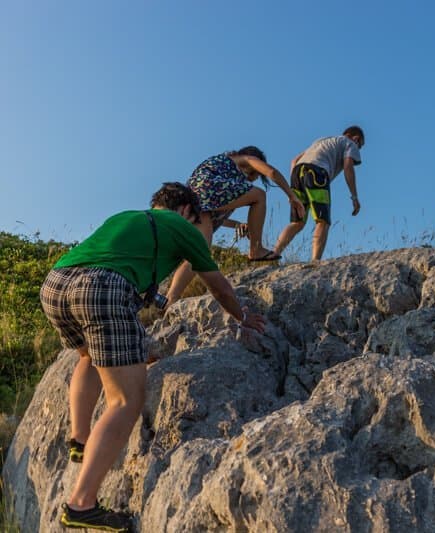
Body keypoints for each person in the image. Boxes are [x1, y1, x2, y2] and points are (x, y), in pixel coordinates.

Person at [40, 182, 266, 532]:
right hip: (101, 289)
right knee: (125, 400)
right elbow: (218, 285)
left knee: (88, 356)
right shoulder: (182, 228)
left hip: (55, 284)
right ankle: (81, 505)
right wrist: (243, 317)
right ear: (188, 212)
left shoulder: (126, 217)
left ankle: (80, 439)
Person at [166, 146, 306, 305]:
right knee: (259, 195)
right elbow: (272, 172)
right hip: (205, 190)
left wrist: (238, 225)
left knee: (199, 252)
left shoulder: (222, 178)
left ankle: (171, 297)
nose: (252, 180)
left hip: (191, 201)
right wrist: (292, 196)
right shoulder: (243, 160)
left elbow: (213, 211)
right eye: (255, 175)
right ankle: (256, 249)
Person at [271, 126, 365, 262]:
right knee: (323, 221)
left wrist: (291, 191)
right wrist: (354, 197)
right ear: (356, 138)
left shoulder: (322, 140)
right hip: (316, 173)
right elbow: (348, 166)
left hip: (297, 173)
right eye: (360, 146)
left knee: (297, 222)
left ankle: (274, 254)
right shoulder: (350, 143)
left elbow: (294, 161)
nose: (358, 149)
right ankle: (315, 262)